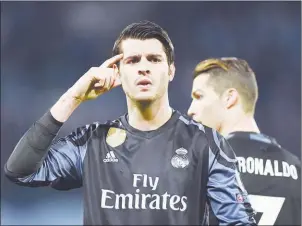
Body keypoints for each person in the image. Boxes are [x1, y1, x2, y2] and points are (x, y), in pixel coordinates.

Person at [4, 21, 256, 225]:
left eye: (154, 60)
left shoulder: (205, 143)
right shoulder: (93, 142)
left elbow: (240, 222)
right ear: (118, 73)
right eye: (133, 60)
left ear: (171, 71)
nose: (143, 68)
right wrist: (72, 98)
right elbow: (20, 171)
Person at [187, 57, 301, 225]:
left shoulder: (201, 167)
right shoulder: (296, 169)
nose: (190, 110)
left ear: (229, 98)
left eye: (199, 97)